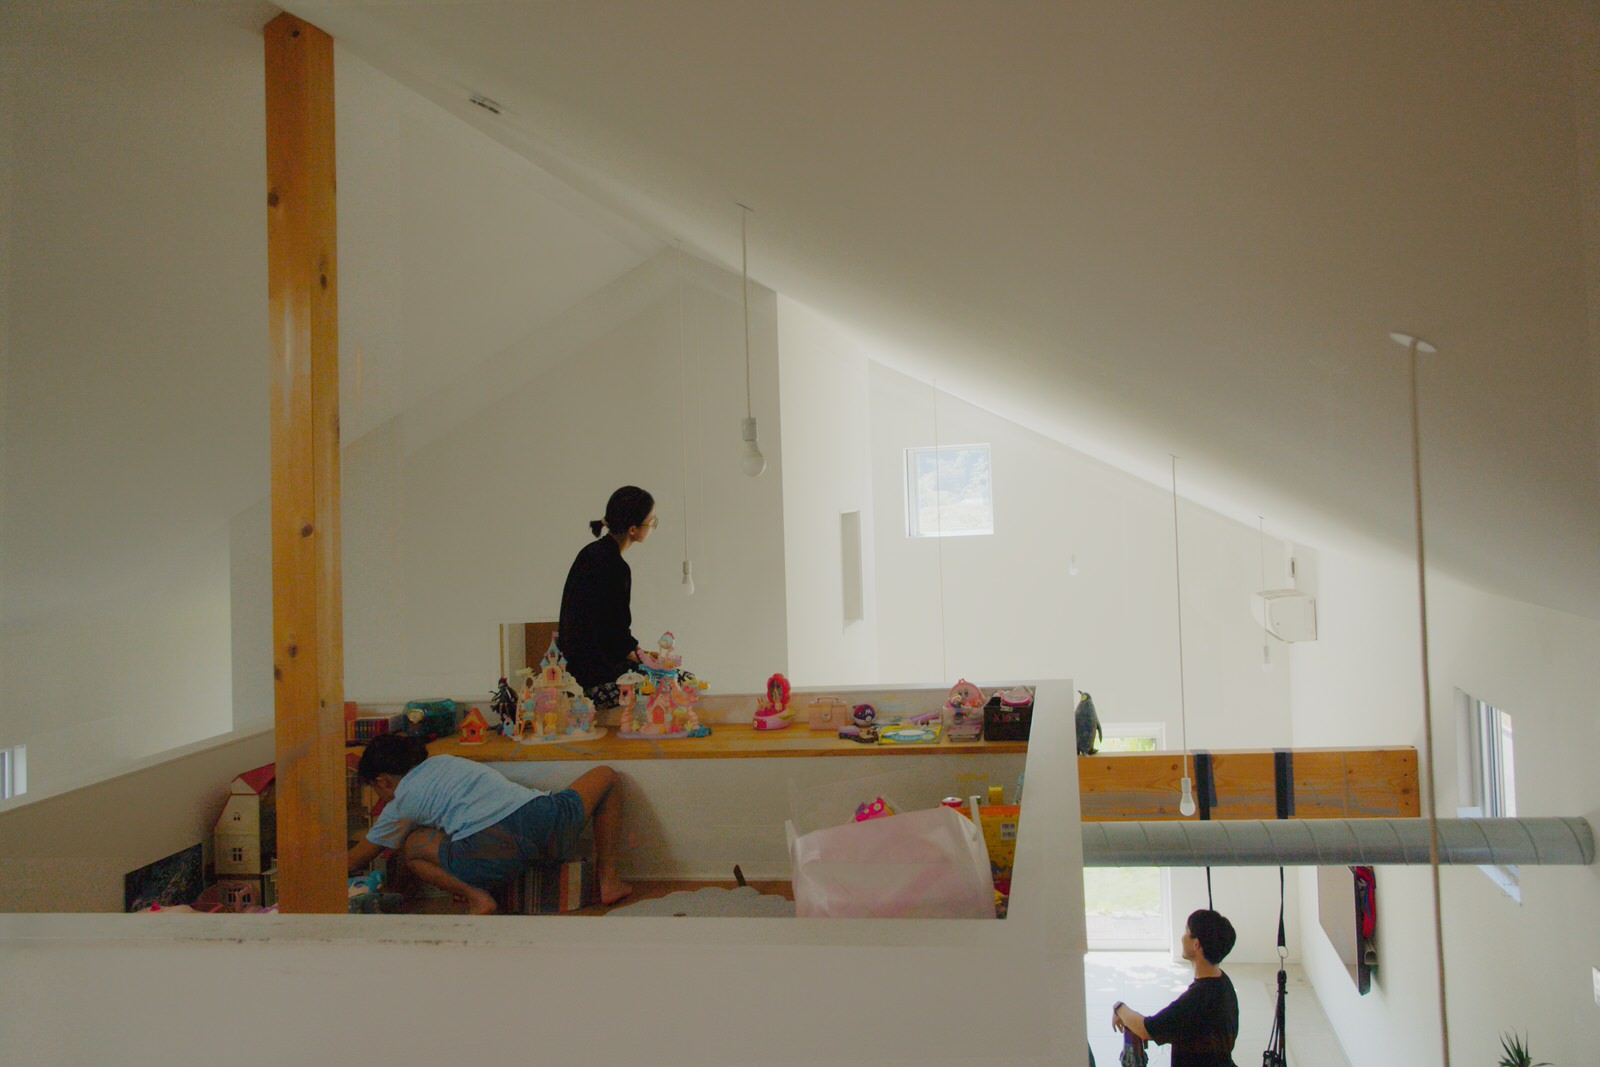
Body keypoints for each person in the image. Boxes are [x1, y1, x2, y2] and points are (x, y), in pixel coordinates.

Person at [346, 733, 631, 914]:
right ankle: (608, 879)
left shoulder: (400, 804)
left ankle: (478, 898)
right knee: (606, 775)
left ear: (383, 781)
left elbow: (358, 858)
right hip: (545, 823)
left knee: (412, 846)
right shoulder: (445, 761)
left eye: (377, 789)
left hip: (495, 854)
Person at [558, 485, 657, 708]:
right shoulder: (615, 566)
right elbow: (617, 635)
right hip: (595, 678)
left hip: (574, 670)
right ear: (633, 529)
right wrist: (646, 659)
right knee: (674, 681)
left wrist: (641, 653)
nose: (653, 526)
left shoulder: (590, 553)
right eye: (651, 522)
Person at [1111, 909, 1240, 1067]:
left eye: (1186, 931)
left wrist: (1119, 1008)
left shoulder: (1195, 1001)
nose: (1182, 937)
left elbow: (1145, 1029)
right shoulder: (1223, 983)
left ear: (1196, 944)